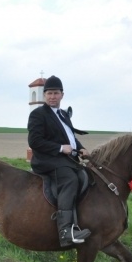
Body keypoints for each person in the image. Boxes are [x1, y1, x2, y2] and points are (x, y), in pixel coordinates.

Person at [27, 75, 91, 247]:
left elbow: (69, 138)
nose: (52, 96)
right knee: (69, 179)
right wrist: (60, 148)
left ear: (62, 95)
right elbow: (35, 141)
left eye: (55, 93)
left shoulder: (63, 114)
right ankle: (65, 231)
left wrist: (81, 147)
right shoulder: (38, 114)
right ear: (44, 95)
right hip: (47, 160)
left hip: (64, 159)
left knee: (87, 175)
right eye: (49, 93)